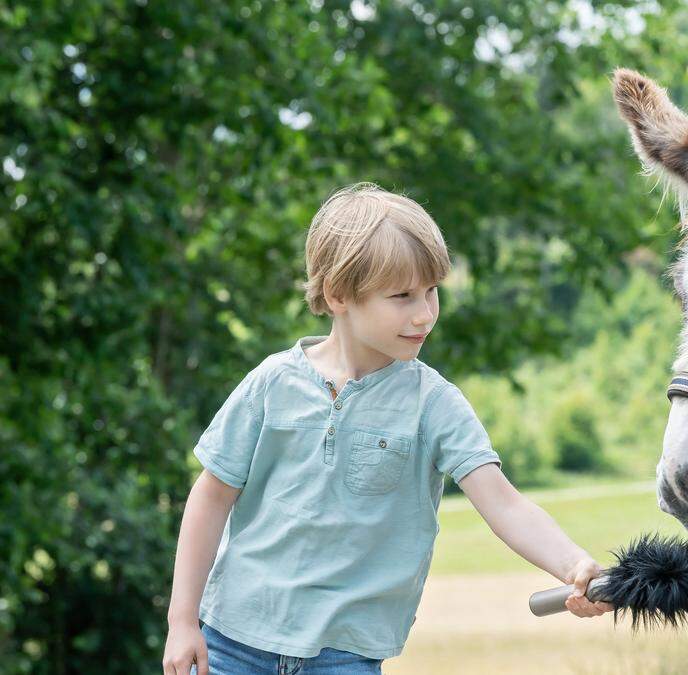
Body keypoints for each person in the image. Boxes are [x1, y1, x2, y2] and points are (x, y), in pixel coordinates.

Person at [161, 183, 612, 675]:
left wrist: (573, 565)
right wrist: (182, 621)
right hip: (233, 643)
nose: (424, 314)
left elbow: (504, 503)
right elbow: (211, 496)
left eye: (431, 291)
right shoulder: (271, 383)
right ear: (338, 295)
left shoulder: (434, 403)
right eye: (401, 296)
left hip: (345, 657)